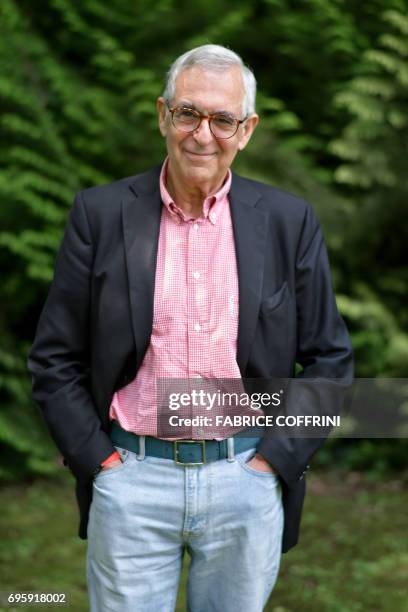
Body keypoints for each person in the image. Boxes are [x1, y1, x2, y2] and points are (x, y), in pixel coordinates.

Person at [28, 44, 353, 611]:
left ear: (246, 130)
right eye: (188, 113)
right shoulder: (101, 215)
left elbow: (331, 361)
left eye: (222, 119)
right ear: (163, 115)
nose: (203, 134)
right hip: (131, 478)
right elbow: (54, 358)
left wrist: (273, 462)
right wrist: (99, 463)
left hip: (244, 482)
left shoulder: (287, 222)